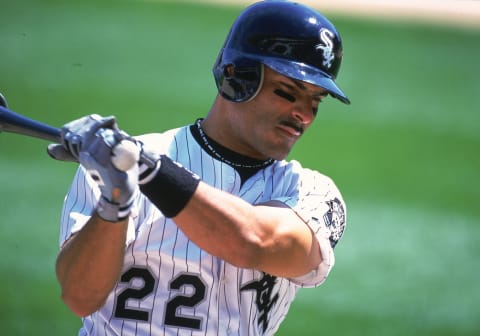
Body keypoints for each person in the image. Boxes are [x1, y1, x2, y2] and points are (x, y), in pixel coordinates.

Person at [49, 1, 350, 335]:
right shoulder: (116, 169)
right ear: (236, 77)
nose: (304, 115)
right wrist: (115, 202)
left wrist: (148, 169)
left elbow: (252, 241)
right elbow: (79, 297)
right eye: (287, 92)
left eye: (315, 101)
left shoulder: (310, 194)